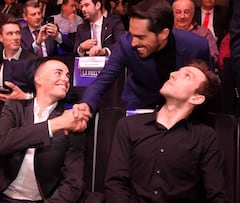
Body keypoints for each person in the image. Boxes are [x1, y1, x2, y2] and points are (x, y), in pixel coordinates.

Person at [0, 58, 88, 202]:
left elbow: (73, 182)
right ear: (39, 79)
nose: (65, 79)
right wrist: (52, 126)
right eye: (58, 73)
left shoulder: (71, 120)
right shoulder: (16, 107)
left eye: (68, 76)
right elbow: (1, 144)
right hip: (0, 195)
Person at [105, 59, 228, 202]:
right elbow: (115, 183)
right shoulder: (129, 125)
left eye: (187, 76)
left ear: (197, 98)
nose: (173, 74)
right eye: (177, 71)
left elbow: (216, 195)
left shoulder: (205, 137)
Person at [73, 0, 212, 113]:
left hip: (182, 110)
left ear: (164, 34)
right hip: (138, 106)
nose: (133, 42)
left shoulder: (197, 46)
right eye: (132, 34)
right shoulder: (126, 44)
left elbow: (207, 88)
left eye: (141, 37)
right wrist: (86, 105)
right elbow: (102, 80)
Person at [172, 0, 218, 65]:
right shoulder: (166, 32)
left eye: (186, 12)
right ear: (172, 14)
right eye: (178, 12)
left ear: (192, 14)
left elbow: (213, 57)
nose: (182, 16)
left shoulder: (204, 33)